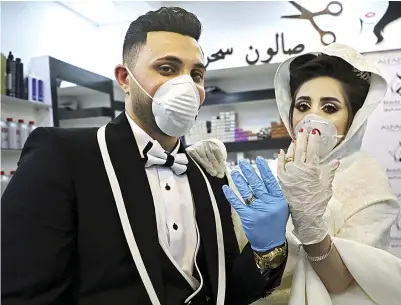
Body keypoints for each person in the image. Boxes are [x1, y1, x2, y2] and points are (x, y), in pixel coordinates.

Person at [1, 7, 290, 305]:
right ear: (125, 78)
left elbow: (228, 291)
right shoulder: (61, 156)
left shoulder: (207, 174)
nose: (187, 86)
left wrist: (266, 249)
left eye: (196, 74)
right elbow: (24, 294)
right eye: (167, 69)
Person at [187, 43, 401, 305]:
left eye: (329, 108)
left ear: (353, 119)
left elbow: (342, 282)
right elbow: (242, 247)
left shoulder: (368, 181)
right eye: (302, 105)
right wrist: (214, 180)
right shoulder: (277, 169)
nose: (312, 118)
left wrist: (312, 229)